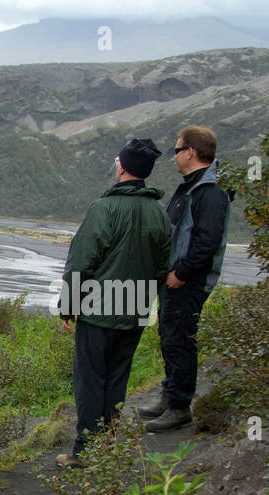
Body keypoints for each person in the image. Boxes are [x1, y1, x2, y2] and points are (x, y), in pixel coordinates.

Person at [55, 138, 172, 467]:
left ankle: (85, 451)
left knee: (91, 379)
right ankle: (106, 445)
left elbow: (81, 262)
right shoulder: (159, 213)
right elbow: (162, 267)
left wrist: (68, 305)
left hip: (99, 310)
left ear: (121, 167)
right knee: (118, 378)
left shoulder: (104, 209)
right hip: (135, 309)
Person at [139, 125, 234, 432]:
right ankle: (170, 395)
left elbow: (207, 241)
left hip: (188, 281)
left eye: (177, 150)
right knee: (170, 337)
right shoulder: (192, 187)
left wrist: (182, 273)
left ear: (191, 152)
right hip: (174, 278)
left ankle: (179, 407)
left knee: (180, 339)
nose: (175, 156)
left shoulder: (210, 191)